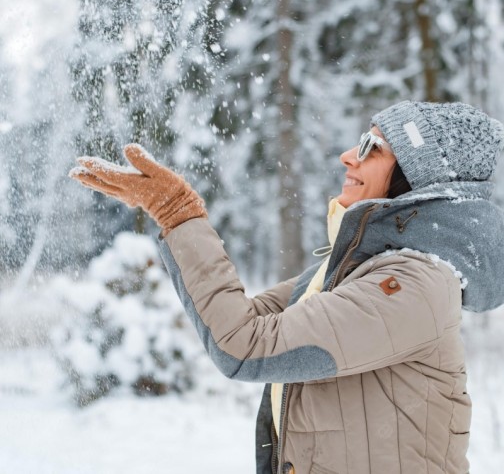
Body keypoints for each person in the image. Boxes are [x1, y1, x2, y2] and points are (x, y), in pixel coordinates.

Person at [70, 100, 504, 474]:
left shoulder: (414, 286)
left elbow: (244, 347)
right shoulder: (359, 275)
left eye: (373, 147)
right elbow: (243, 324)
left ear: (414, 177)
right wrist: (175, 216)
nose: (348, 155)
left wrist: (179, 213)